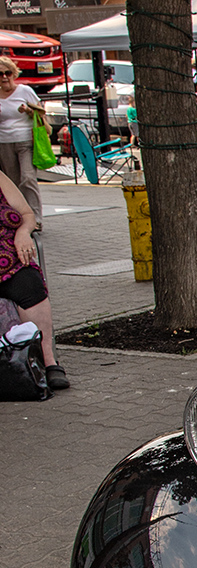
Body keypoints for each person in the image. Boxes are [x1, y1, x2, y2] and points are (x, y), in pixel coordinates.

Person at [0, 169, 66, 388]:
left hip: (10, 257)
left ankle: (48, 362)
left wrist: (23, 233)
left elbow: (28, 215)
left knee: (30, 286)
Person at [0, 56, 45, 228]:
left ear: (14, 74)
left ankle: (36, 219)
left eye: (8, 73)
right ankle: (18, 220)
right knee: (12, 182)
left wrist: (28, 110)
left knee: (27, 178)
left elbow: (41, 114)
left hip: (25, 140)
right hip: (4, 142)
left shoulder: (24, 91)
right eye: (0, 74)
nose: (4, 77)